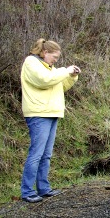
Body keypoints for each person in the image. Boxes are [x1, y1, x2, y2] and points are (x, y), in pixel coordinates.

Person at [20, 38, 81, 203]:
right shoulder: (31, 63)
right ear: (45, 52)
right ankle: (27, 191)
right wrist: (64, 70)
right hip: (38, 114)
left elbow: (60, 86)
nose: (55, 60)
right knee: (36, 154)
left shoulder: (51, 69)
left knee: (46, 155)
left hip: (52, 113)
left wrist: (72, 76)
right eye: (54, 57)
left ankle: (44, 188)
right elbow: (44, 81)